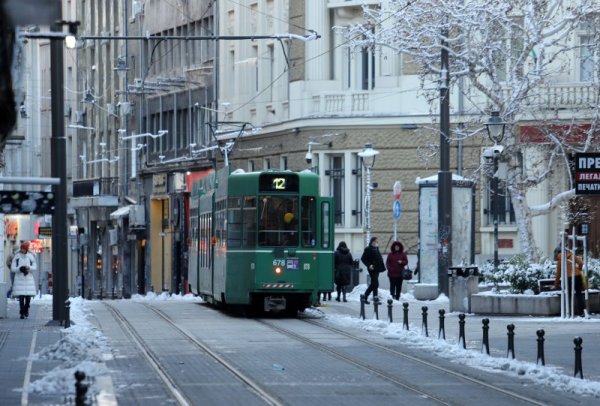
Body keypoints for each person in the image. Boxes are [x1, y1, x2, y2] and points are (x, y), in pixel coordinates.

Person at [553, 247, 585, 317]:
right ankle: (581, 312)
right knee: (579, 294)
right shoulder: (572, 255)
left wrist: (555, 285)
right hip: (578, 276)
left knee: (568, 295)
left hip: (569, 278)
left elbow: (558, 274)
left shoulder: (560, 260)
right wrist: (578, 270)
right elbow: (581, 263)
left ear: (557, 253)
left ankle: (568, 312)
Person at [10, 241, 38, 319]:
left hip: (28, 279)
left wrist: (29, 268)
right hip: (19, 279)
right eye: (21, 248)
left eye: (24, 248)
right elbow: (12, 268)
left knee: (28, 298)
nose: (22, 250)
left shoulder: (31, 256)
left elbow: (35, 267)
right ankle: (22, 312)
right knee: (21, 297)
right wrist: (19, 269)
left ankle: (26, 309)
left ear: (26, 249)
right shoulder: (17, 256)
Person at [361, 236, 386, 304]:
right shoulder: (368, 249)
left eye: (377, 242)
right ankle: (367, 297)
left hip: (377, 269)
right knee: (375, 284)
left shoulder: (376, 248)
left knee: (374, 284)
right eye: (375, 241)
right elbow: (363, 258)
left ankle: (372, 298)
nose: (376, 243)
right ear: (372, 241)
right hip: (372, 269)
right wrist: (369, 265)